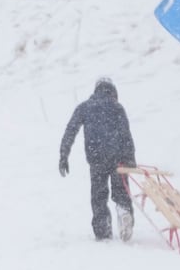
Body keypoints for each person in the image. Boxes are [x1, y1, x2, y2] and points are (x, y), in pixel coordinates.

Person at [59, 78, 138, 242]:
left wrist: (64, 155)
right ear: (113, 92)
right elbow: (126, 135)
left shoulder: (85, 107)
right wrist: (130, 159)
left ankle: (102, 230)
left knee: (99, 195)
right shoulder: (117, 107)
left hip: (97, 159)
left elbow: (71, 130)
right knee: (121, 191)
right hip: (119, 158)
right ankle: (124, 212)